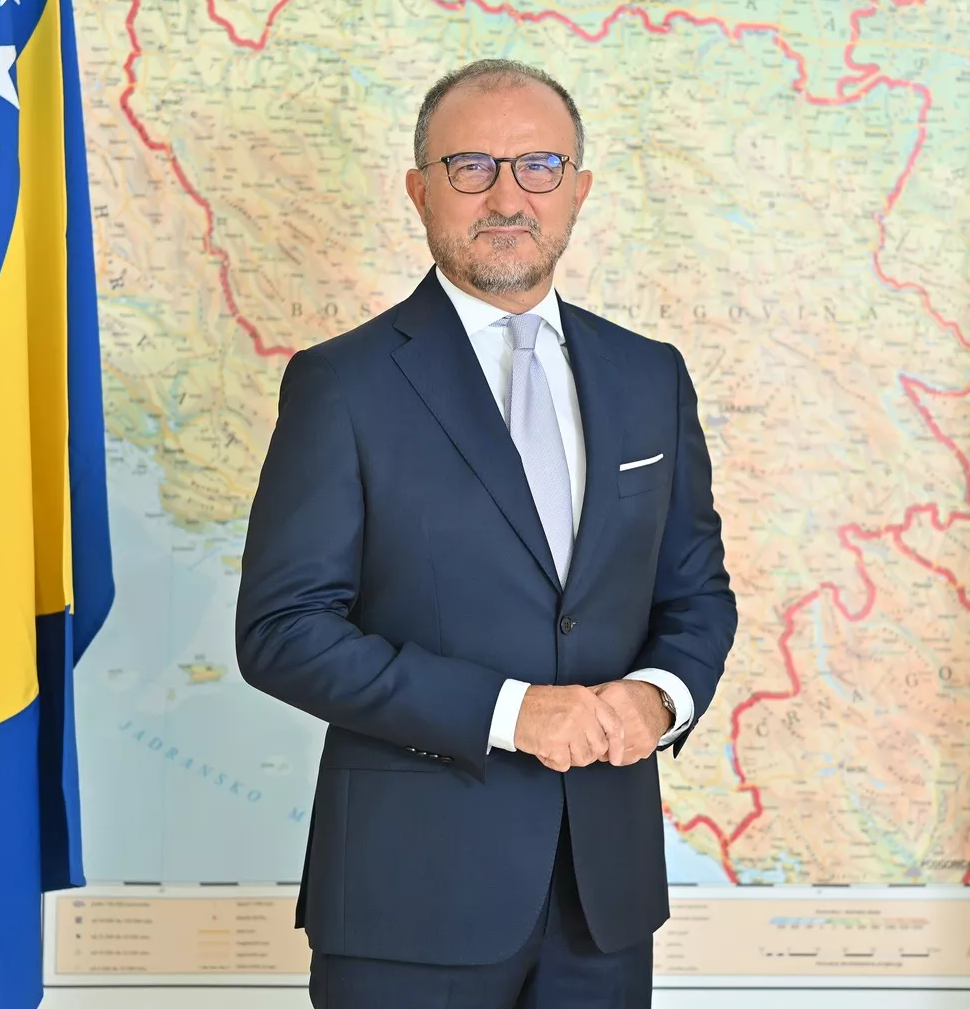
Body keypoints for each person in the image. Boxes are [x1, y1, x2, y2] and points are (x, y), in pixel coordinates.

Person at [236, 58, 738, 1008]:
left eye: (539, 167)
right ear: (420, 190)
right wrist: (512, 713)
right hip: (407, 905)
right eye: (471, 167)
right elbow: (283, 632)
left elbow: (696, 595)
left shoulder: (650, 377)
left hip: (603, 904)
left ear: (578, 189)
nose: (508, 197)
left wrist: (659, 697)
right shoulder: (342, 385)